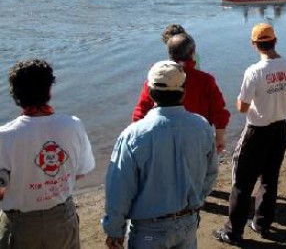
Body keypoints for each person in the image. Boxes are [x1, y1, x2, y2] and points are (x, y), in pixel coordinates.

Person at [103, 60, 219, 249]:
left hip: (149, 229)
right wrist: (196, 200)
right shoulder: (202, 126)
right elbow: (211, 172)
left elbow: (119, 189)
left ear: (149, 92)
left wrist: (115, 230)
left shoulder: (133, 135)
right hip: (188, 222)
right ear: (183, 91)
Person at [212, 23, 286, 245]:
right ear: (275, 41)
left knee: (242, 183)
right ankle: (262, 222)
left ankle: (232, 232)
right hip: (280, 129)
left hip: (257, 131)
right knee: (270, 179)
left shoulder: (254, 71)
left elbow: (242, 107)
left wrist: (258, 102)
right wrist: (276, 101)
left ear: (254, 44)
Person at [0, 59, 95, 248]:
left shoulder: (5, 136)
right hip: (62, 217)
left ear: (15, 95)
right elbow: (82, 171)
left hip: (21, 224)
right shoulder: (73, 125)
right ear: (49, 91)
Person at [133, 32, 230, 153]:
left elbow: (140, 112)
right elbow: (219, 112)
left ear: (170, 53)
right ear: (193, 53)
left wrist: (140, 142)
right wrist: (219, 138)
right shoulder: (205, 80)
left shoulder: (157, 77)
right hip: (197, 139)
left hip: (162, 140)